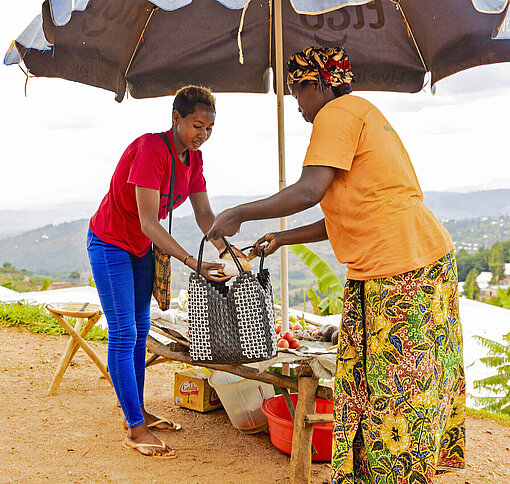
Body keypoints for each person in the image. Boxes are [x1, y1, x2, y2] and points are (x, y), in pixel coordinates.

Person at [207, 47, 465, 483]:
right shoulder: (362, 111)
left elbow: (310, 189)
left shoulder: (337, 113)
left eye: (297, 93)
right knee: (373, 383)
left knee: (394, 391)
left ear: (319, 84)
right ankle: (380, 472)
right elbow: (347, 210)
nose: (298, 105)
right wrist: (283, 237)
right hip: (407, 262)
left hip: (400, 268)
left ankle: (394, 474)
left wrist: (241, 212)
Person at [87, 85, 242, 458]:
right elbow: (147, 223)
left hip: (140, 250)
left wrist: (225, 249)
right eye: (196, 125)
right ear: (176, 118)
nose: (202, 135)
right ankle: (135, 429)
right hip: (110, 243)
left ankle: (134, 414)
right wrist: (193, 262)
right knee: (124, 334)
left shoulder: (195, 160)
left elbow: (204, 215)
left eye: (209, 128)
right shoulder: (150, 150)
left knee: (141, 331)